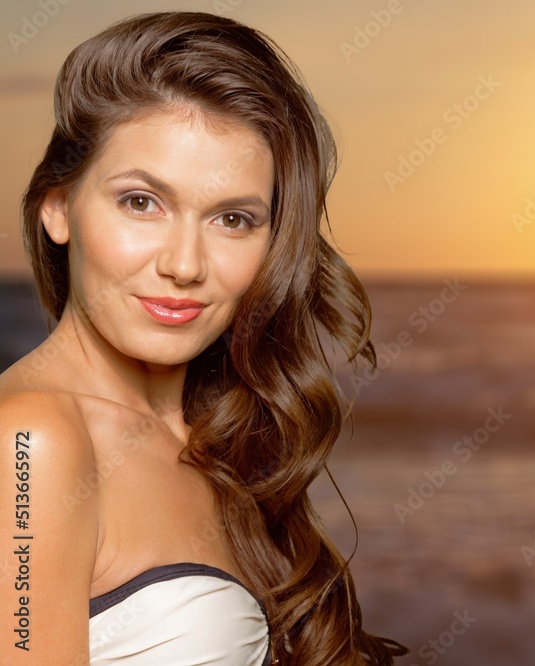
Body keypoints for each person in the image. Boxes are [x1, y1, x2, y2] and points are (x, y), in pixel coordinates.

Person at [0, 11, 407, 666]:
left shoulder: (216, 439)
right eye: (141, 202)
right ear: (57, 208)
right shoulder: (31, 442)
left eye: (233, 218)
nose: (185, 264)